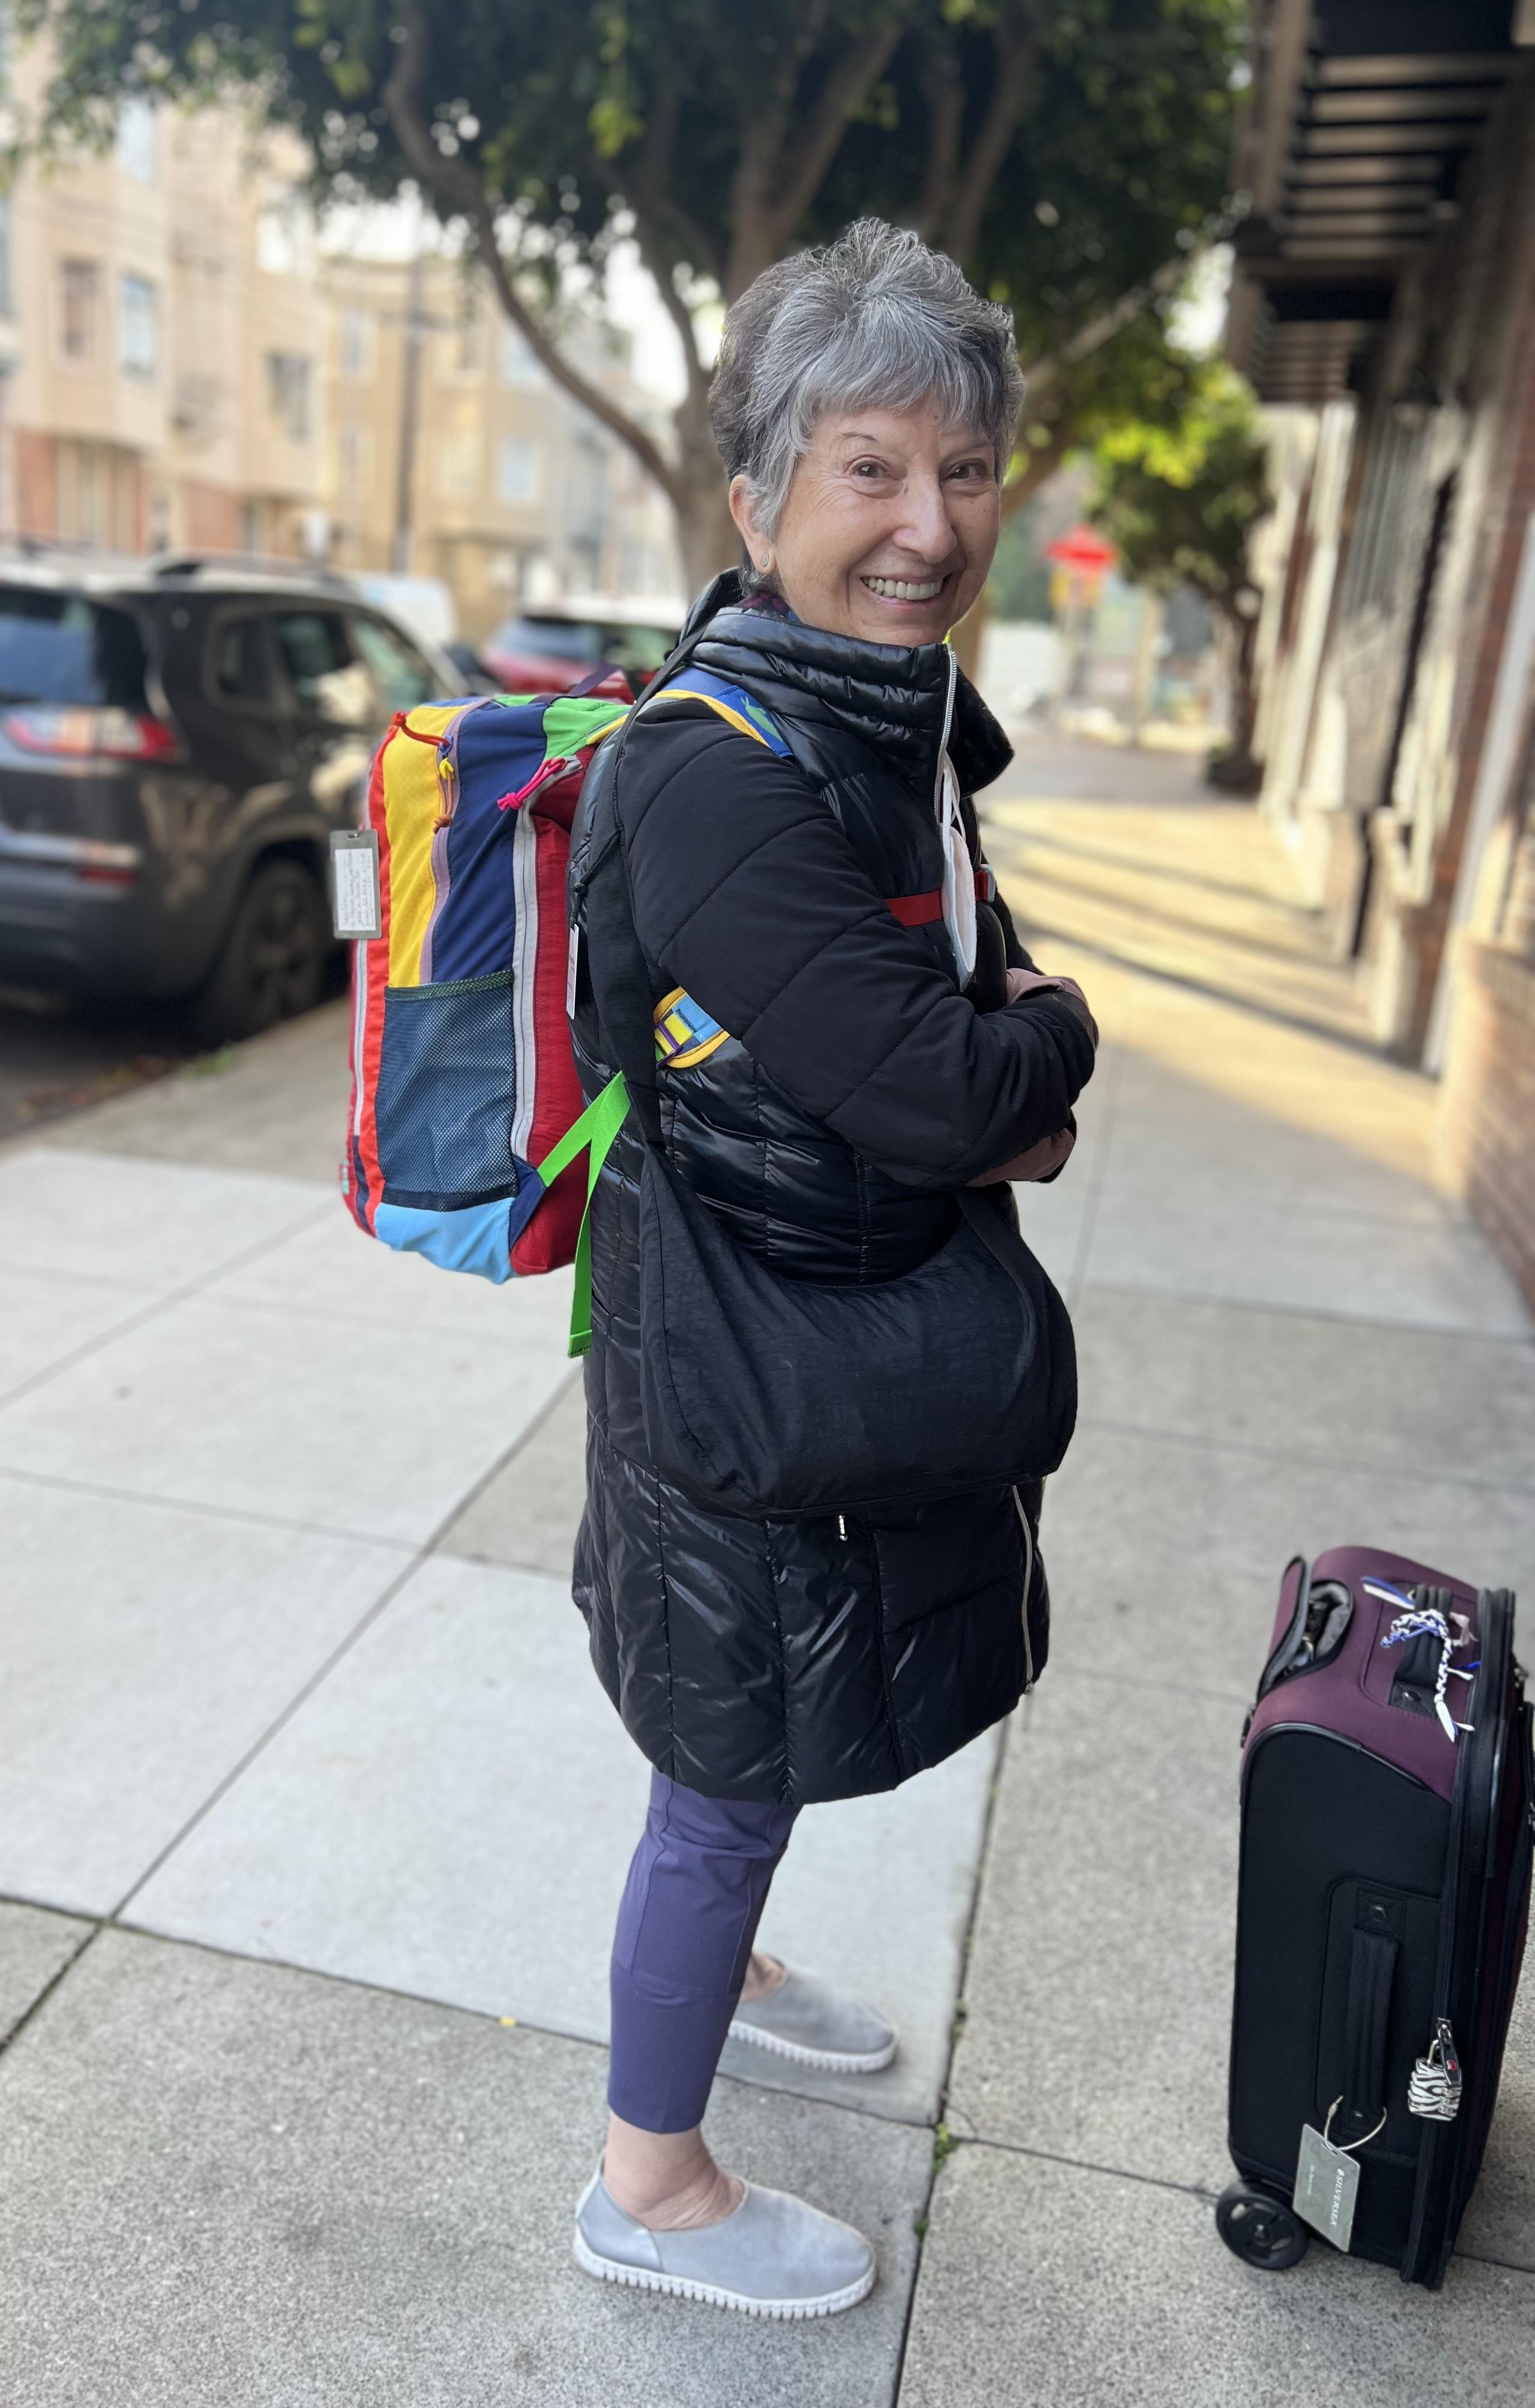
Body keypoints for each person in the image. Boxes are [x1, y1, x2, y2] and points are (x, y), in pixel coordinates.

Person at [565, 220, 1097, 2318]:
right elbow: (959, 1089)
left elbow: (983, 982)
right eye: (872, 469)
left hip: (808, 1328)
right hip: (748, 1351)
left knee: (740, 1731)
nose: (928, 525)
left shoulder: (887, 716)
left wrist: (1010, 1048)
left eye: (962, 472)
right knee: (725, 1759)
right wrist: (1051, 1066)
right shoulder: (710, 770)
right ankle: (649, 2181)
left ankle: (735, 1965)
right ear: (759, 493)